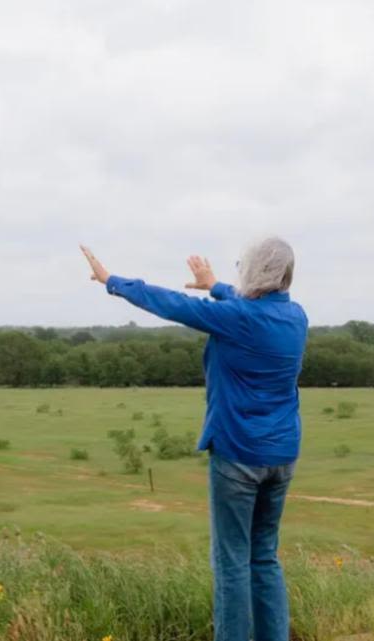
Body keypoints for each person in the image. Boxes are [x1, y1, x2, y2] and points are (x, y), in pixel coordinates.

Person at [80, 238, 308, 641]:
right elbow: (249, 305)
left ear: (253, 272)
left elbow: (169, 303)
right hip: (282, 455)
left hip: (238, 455)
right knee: (264, 557)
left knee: (232, 562)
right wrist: (215, 285)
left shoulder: (236, 318)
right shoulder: (296, 316)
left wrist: (111, 280)